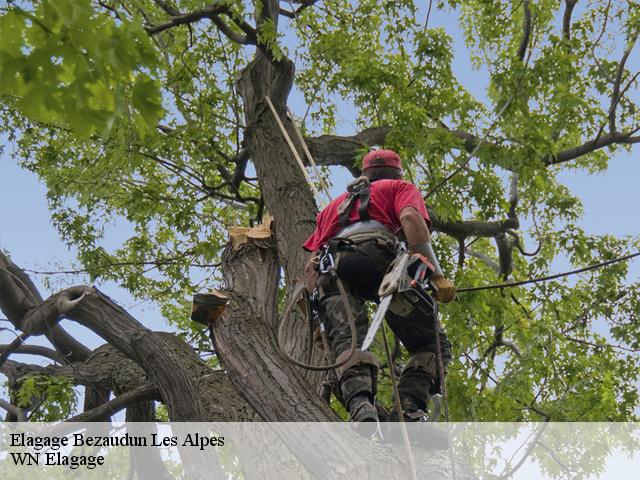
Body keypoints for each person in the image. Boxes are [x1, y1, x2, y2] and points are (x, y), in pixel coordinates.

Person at [303, 149, 456, 424]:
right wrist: (436, 275)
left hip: (333, 272)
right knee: (433, 344)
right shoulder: (399, 187)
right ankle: (408, 409)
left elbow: (309, 269)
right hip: (381, 264)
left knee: (347, 343)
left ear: (365, 175)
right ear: (397, 173)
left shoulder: (331, 208)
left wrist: (318, 320)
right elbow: (410, 219)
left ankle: (360, 406)